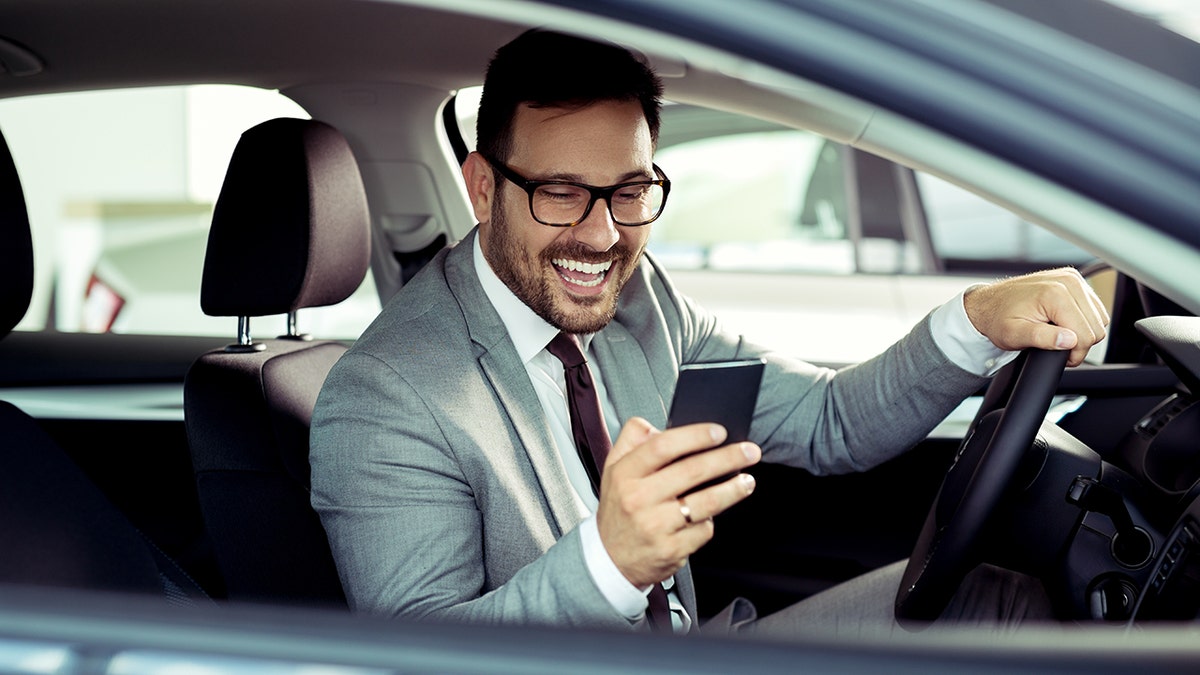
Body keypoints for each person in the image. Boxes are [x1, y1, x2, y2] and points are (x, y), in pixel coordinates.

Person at [309, 29, 1109, 638]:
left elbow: (830, 423)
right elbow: (421, 655)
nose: (600, 237)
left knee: (997, 602)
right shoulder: (384, 394)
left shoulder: (641, 300)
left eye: (629, 191)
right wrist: (609, 563)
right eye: (560, 193)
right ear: (483, 188)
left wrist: (973, 322)